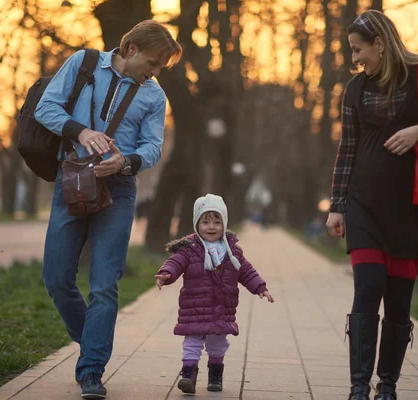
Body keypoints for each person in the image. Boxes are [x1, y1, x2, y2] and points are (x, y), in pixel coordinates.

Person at [325, 10, 418, 400]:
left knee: (399, 301)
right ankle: (358, 386)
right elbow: (348, 148)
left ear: (381, 44)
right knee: (368, 287)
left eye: (359, 50)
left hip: (412, 208)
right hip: (363, 204)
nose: (355, 59)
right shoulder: (354, 90)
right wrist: (337, 204)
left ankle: (387, 385)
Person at [34, 20, 181, 399]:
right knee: (56, 278)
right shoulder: (83, 63)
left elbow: (152, 147)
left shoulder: (154, 96)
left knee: (103, 285)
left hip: (118, 188)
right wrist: (80, 132)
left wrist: (125, 162)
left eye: (161, 67)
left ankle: (91, 371)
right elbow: (45, 108)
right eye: (153, 62)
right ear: (130, 48)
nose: (155, 72)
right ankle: (92, 341)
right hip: (74, 179)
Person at [155, 194, 275, 394]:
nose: (211, 227)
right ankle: (188, 375)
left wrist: (260, 288)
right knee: (192, 341)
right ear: (196, 223)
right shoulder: (189, 250)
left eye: (217, 222)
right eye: (205, 221)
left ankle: (215, 375)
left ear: (224, 224)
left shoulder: (232, 252)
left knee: (218, 343)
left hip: (222, 307)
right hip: (194, 306)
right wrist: (166, 274)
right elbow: (175, 263)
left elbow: (246, 271)